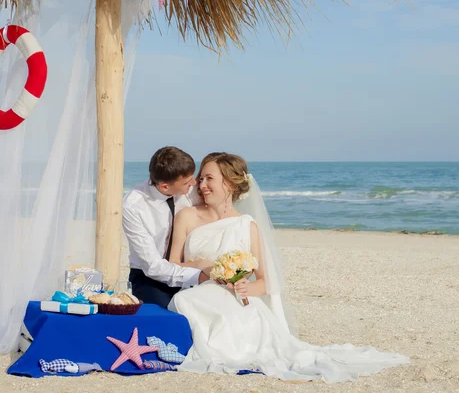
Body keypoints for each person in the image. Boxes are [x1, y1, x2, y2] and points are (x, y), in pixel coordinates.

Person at [167, 152, 409, 382]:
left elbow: (264, 282)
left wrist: (244, 287)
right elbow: (171, 265)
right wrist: (200, 267)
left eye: (209, 178)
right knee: (185, 301)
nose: (202, 185)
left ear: (229, 184)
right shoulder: (187, 216)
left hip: (237, 300)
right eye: (201, 178)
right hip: (198, 291)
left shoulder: (246, 226)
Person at [122, 146, 211, 308]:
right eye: (186, 182)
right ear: (164, 187)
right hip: (149, 278)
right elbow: (152, 266)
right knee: (168, 319)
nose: (194, 183)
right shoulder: (133, 206)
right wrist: (198, 276)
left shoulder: (190, 188)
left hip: (192, 268)